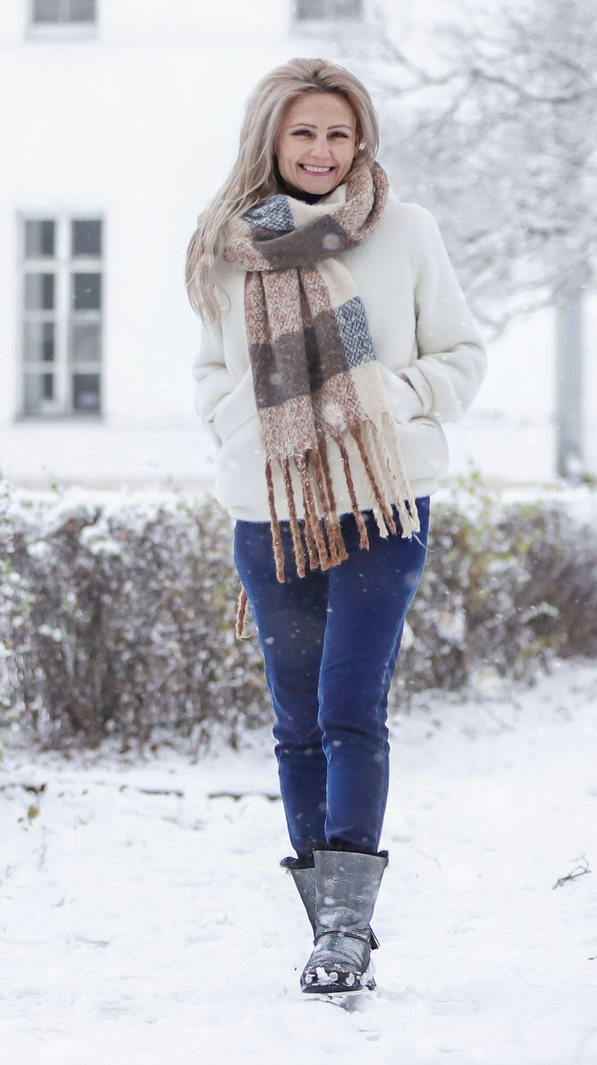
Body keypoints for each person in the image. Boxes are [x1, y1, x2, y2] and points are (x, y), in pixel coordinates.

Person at [187, 58, 487, 996]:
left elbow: (464, 356)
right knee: (294, 721)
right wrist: (246, 420)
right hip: (268, 507)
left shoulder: (406, 233)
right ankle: (329, 927)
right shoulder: (224, 246)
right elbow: (208, 372)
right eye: (304, 133)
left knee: (350, 706)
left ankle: (348, 931)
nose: (321, 151)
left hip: (381, 499)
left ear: (362, 144)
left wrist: (387, 395)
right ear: (270, 140)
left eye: (338, 134)